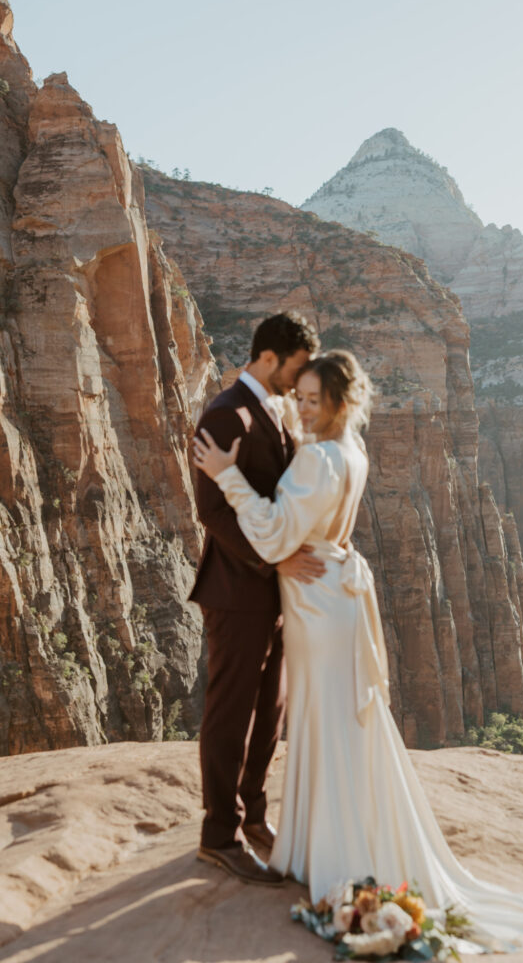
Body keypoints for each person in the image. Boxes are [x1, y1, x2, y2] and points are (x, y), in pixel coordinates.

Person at [193, 349, 523, 953]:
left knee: (326, 719)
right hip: (333, 593)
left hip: (315, 603)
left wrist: (225, 473)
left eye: (313, 400)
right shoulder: (351, 448)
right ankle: (335, 841)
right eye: (298, 398)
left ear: (339, 403)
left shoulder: (316, 458)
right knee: (338, 718)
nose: (301, 409)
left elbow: (274, 533)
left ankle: (334, 855)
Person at [189, 311, 323, 886]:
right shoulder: (225, 413)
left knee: (268, 710)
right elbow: (211, 510)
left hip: (275, 593)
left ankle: (254, 816)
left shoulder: (272, 408)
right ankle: (219, 834)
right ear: (270, 357)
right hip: (237, 591)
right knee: (231, 712)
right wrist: (274, 559)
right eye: (295, 367)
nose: (299, 378)